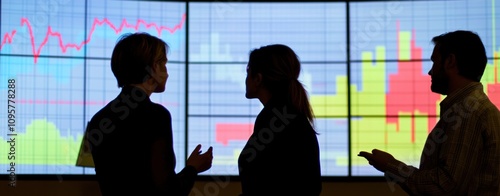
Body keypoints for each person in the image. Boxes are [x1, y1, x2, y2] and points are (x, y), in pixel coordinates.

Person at [359, 30, 500, 195]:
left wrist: (391, 166)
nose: (430, 71)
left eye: (434, 62)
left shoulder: (468, 113)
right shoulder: (475, 108)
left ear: (450, 61)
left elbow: (443, 187)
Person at [85, 32, 213, 196]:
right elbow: (167, 191)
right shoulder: (156, 116)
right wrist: (193, 168)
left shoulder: (98, 119)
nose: (167, 73)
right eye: (164, 65)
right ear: (153, 68)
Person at [237, 44, 322, 196]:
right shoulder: (289, 115)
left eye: (248, 72)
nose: (246, 79)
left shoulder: (274, 119)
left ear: (258, 79)